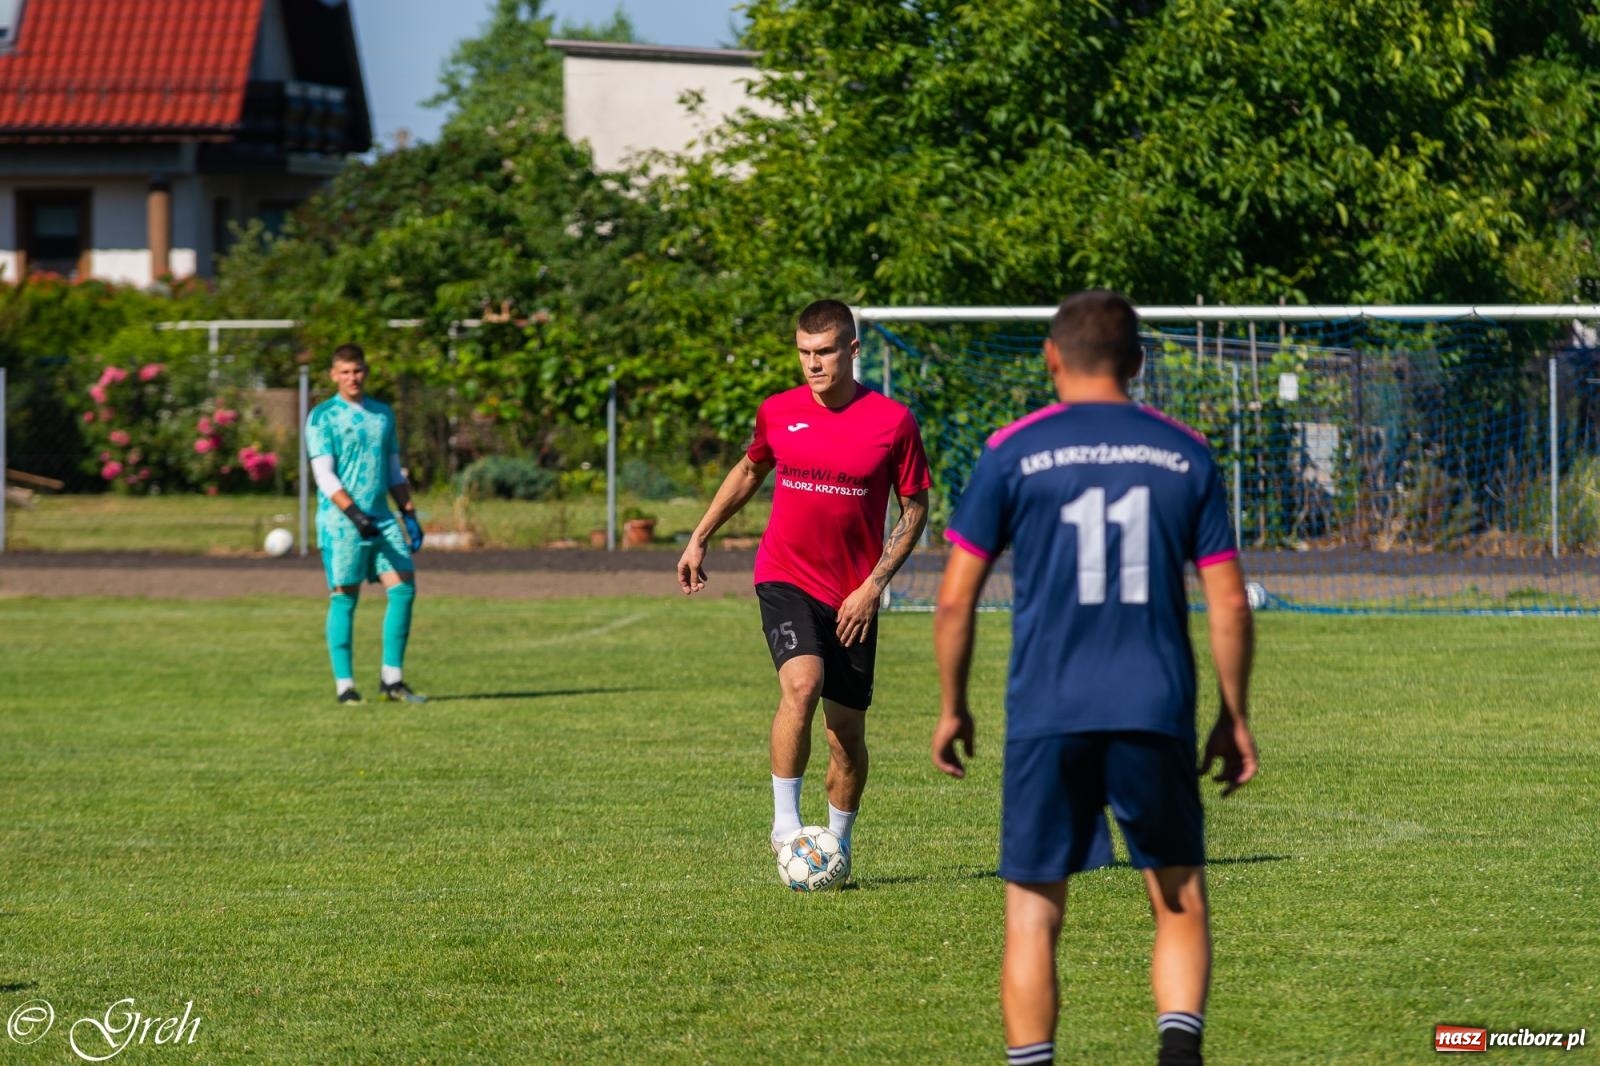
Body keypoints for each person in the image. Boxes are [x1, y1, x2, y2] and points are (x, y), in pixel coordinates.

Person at [931, 290, 1257, 1066]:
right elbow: (1229, 600)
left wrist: (953, 707)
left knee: (1033, 912)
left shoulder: (1011, 451)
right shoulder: (1185, 452)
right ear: (1138, 363)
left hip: (1048, 709)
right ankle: (1179, 1055)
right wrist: (1234, 715)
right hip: (1154, 707)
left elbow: (953, 600)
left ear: (1051, 358)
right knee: (1177, 897)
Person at [677, 299, 931, 879]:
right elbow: (749, 470)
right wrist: (699, 536)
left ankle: (835, 846)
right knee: (802, 684)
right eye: (804, 353)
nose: (813, 364)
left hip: (854, 595)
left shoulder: (893, 422)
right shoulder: (778, 411)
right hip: (784, 575)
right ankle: (786, 829)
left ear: (852, 350)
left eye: (824, 352)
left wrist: (873, 585)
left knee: (846, 736)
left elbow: (915, 509)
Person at [305, 343, 427, 705]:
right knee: (345, 596)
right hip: (342, 522)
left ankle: (392, 680)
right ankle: (345, 687)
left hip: (381, 518)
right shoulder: (323, 417)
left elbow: (392, 470)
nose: (352, 378)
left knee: (403, 588)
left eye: (357, 370)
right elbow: (324, 476)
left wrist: (408, 512)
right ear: (333, 375)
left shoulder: (382, 415)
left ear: (366, 372)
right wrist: (355, 515)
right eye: (344, 372)